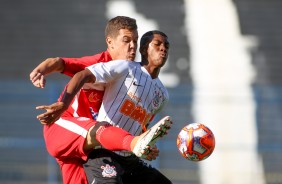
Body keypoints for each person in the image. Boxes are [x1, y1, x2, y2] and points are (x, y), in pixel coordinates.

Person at [30, 16, 171, 184]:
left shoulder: (135, 75)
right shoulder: (101, 63)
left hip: (90, 144)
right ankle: (133, 143)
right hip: (64, 125)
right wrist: (40, 72)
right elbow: (60, 63)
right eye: (126, 41)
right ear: (110, 42)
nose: (132, 46)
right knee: (100, 129)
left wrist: (145, 141)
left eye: (135, 41)